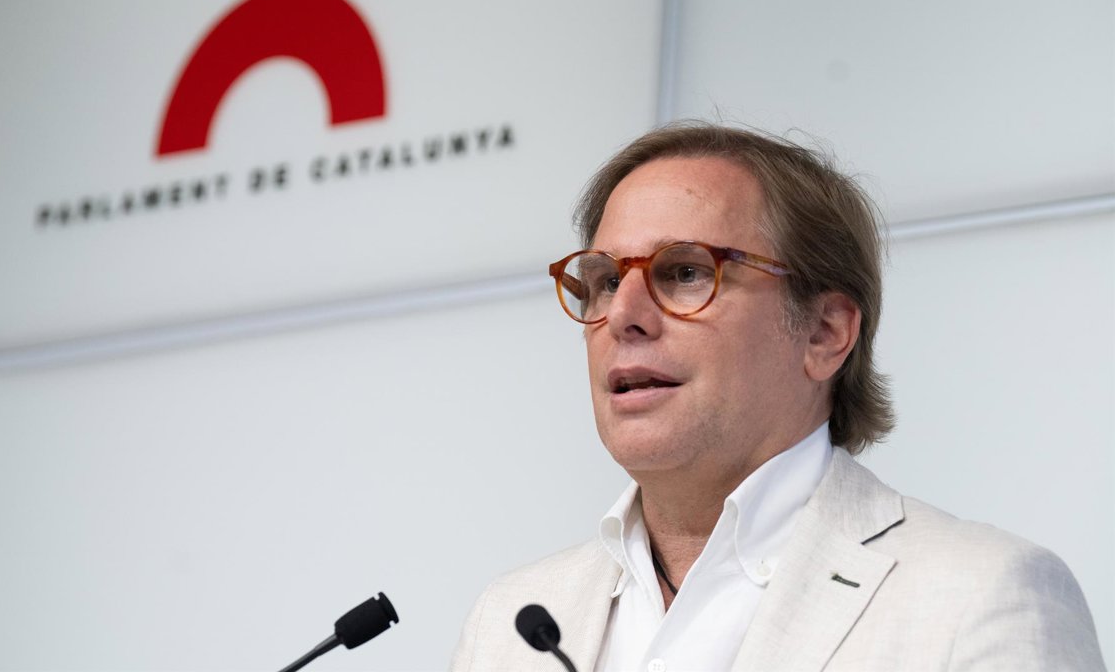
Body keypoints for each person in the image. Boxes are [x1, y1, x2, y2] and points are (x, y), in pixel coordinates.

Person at [450, 123, 1105, 671]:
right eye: (605, 280)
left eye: (685, 272)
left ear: (824, 332)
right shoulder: (510, 621)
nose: (623, 316)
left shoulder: (981, 598)